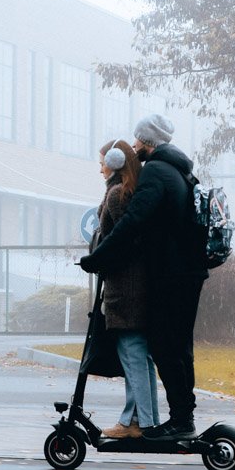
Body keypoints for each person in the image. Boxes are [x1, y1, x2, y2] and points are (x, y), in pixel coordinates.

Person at [79, 114, 207, 440]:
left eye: (137, 141)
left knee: (166, 348)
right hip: (185, 272)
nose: (134, 147)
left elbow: (133, 222)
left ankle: (179, 420)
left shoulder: (157, 172)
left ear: (148, 142)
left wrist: (98, 258)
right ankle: (182, 417)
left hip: (172, 275)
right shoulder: (178, 170)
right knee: (177, 349)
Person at [94, 139, 160, 438]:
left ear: (116, 161)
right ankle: (141, 419)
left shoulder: (119, 195)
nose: (100, 167)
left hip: (126, 287)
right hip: (133, 286)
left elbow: (122, 240)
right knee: (139, 357)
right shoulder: (125, 191)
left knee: (133, 355)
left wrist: (96, 257)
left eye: (103, 161)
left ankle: (139, 424)